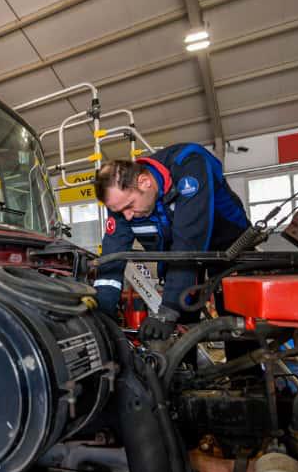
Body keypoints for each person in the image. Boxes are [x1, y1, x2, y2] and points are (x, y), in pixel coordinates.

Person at [92, 143, 250, 339]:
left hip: (228, 242)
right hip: (178, 252)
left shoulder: (188, 165)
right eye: (120, 211)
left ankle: (245, 369)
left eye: (130, 206)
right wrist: (102, 313)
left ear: (144, 182)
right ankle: (186, 368)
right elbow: (112, 255)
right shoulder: (122, 200)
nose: (128, 216)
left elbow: (188, 242)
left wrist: (167, 312)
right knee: (182, 317)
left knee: (233, 314)